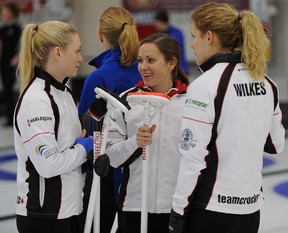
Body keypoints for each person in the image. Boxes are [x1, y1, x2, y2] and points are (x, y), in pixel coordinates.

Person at [169, 2, 285, 233]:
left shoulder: (205, 86)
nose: (191, 44)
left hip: (210, 211)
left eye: (195, 36)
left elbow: (193, 159)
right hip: (250, 211)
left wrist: (178, 210)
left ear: (209, 37)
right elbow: (276, 144)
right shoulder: (267, 84)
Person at [14, 20, 94, 233]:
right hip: (44, 216)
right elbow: (48, 165)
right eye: (76, 51)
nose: (80, 58)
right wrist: (83, 148)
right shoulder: (37, 101)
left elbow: (65, 147)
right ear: (58, 53)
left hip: (70, 208)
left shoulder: (64, 93)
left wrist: (82, 151)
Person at [106, 33, 189, 233]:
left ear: (171, 63)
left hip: (177, 208)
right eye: (141, 60)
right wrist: (136, 142)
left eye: (151, 60)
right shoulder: (126, 101)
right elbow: (111, 157)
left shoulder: (192, 103)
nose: (143, 67)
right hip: (135, 207)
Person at [78, 6, 142, 233]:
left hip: (104, 173)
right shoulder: (146, 69)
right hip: (140, 172)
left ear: (100, 35)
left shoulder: (99, 77)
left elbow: (84, 129)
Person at [0, 2, 21, 126]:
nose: (4, 14)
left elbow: (20, 46)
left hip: (13, 62)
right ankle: (9, 117)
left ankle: (14, 116)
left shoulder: (17, 28)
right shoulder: (2, 29)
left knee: (11, 89)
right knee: (6, 89)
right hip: (4, 62)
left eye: (6, 12)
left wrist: (16, 58)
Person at [154, 11, 189, 75]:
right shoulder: (160, 33)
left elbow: (169, 49)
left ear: (164, 23)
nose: (157, 28)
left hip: (180, 69)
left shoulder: (176, 33)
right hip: (169, 69)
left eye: (158, 25)